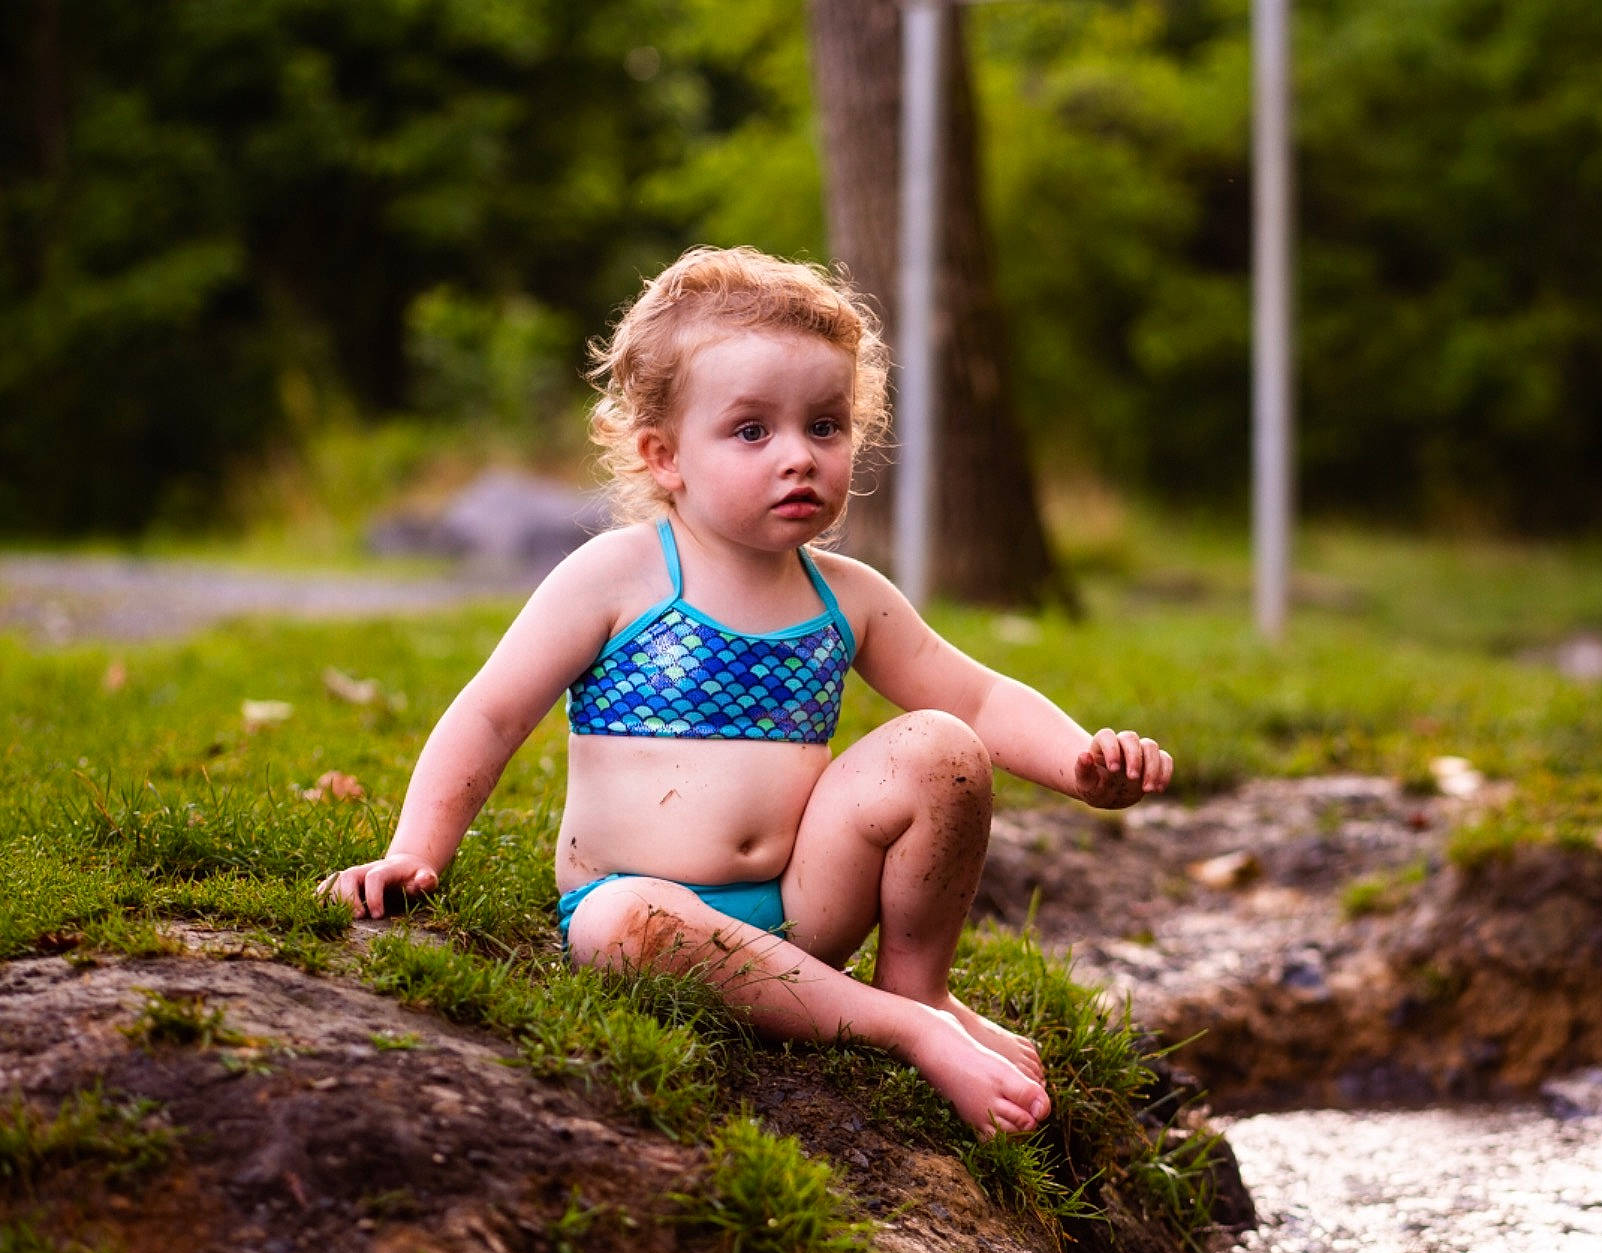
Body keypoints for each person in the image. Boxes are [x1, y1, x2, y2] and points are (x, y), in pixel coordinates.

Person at [319, 246, 1172, 1137]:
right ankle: (902, 1029)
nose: (799, 456)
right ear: (665, 456)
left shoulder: (848, 596)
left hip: (805, 904)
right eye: (753, 431)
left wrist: (1081, 761)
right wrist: (415, 852)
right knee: (617, 920)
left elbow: (983, 701)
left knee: (942, 745)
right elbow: (490, 715)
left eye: (825, 426)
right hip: (651, 916)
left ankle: (918, 988)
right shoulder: (619, 576)